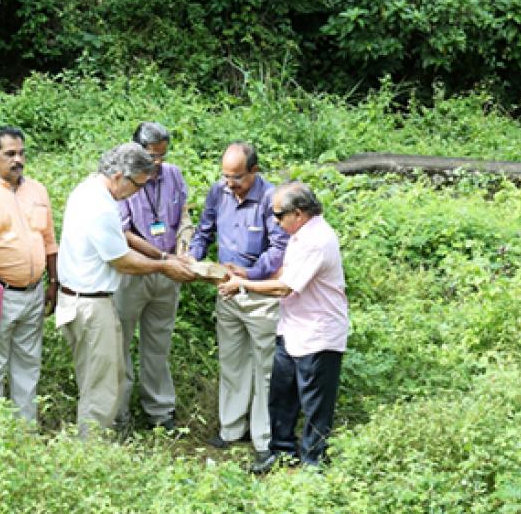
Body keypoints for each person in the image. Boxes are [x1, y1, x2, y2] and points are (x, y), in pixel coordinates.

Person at [56, 142, 196, 436]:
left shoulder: (87, 190)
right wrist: (163, 265)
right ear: (120, 176)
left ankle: (99, 443)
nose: (137, 192)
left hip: (83, 299)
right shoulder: (100, 205)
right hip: (91, 305)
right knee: (100, 385)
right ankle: (91, 452)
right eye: (137, 185)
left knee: (102, 377)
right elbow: (121, 259)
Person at [218, 182, 348, 473]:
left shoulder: (317, 240)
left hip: (318, 333)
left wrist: (243, 284)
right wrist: (248, 273)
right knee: (281, 396)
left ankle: (314, 464)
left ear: (298, 214)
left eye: (278, 216)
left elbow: (283, 288)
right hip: (292, 329)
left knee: (315, 405)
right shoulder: (300, 236)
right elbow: (284, 272)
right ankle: (281, 453)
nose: (275, 222)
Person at [189, 142, 289, 458]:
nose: (230, 184)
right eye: (226, 176)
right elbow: (204, 231)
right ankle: (231, 429)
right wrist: (192, 261)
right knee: (232, 361)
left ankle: (264, 438)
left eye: (237, 178)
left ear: (254, 171)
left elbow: (279, 249)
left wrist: (247, 275)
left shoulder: (272, 200)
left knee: (266, 367)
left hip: (260, 294)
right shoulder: (219, 192)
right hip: (226, 291)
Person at [0, 126, 58, 422]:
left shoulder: (38, 191)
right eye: (10, 154)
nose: (18, 160)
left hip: (33, 292)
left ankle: (25, 432)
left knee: (28, 364)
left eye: (21, 153)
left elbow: (49, 241)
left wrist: (53, 282)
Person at [114, 122, 190, 431]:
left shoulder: (173, 174)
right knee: (120, 343)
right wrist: (162, 258)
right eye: (150, 156)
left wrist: (183, 248)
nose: (156, 163)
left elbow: (184, 214)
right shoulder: (124, 179)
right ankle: (119, 415)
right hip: (136, 270)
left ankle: (160, 412)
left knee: (158, 343)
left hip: (168, 273)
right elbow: (124, 232)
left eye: (160, 155)